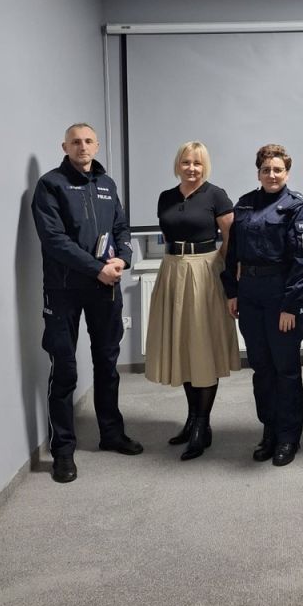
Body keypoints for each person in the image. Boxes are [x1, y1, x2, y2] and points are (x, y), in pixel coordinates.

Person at [31, 123, 143, 484]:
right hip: (64, 290)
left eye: (88, 141)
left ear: (97, 146)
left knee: (107, 364)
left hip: (104, 288)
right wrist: (98, 269)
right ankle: (63, 451)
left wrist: (122, 259)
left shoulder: (107, 184)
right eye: (75, 142)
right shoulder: (50, 184)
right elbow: (54, 240)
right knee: (64, 369)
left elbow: (121, 228)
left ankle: (111, 434)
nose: (82, 146)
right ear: (64, 146)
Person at [144, 141, 239, 461]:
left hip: (205, 272)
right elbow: (168, 234)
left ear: (205, 166)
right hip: (172, 271)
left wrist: (216, 266)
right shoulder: (166, 197)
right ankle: (192, 419)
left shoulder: (216, 195)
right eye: (186, 162)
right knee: (185, 346)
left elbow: (231, 237)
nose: (192, 168)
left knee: (203, 346)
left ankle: (202, 424)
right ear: (178, 164)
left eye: (198, 163)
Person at [221, 144, 303, 467]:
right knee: (261, 368)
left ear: (286, 172)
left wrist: (291, 305)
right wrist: (232, 291)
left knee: (285, 369)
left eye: (278, 170)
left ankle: (289, 436)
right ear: (258, 172)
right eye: (266, 170)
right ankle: (269, 430)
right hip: (249, 294)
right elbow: (232, 252)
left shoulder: (297, 207)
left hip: (281, 296)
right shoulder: (245, 204)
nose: (272, 175)